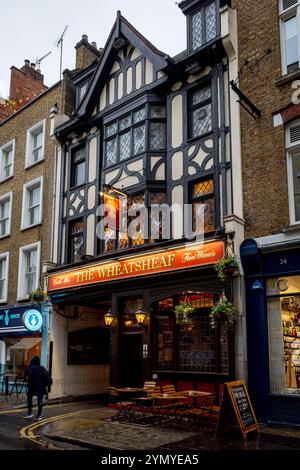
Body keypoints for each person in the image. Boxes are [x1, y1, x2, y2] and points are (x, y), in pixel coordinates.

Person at [24, 356, 52, 421]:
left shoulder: (32, 367)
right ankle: (39, 416)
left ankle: (30, 413)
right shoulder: (42, 368)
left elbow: (30, 377)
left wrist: (28, 383)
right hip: (41, 387)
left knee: (29, 398)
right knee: (40, 400)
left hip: (33, 387)